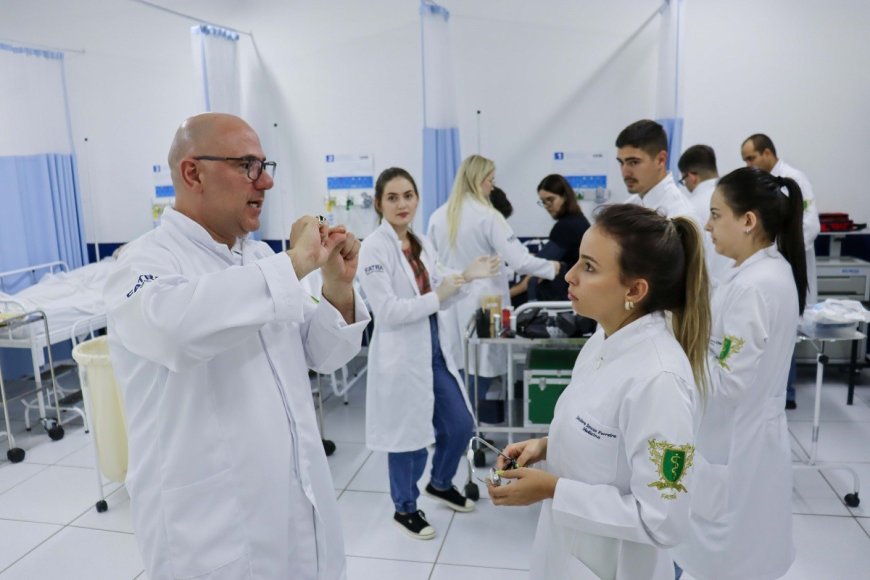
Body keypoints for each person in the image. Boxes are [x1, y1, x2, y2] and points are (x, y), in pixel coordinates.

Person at [104, 113, 370, 580]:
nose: (265, 181)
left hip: (294, 503)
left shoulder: (259, 257)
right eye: (247, 165)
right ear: (193, 173)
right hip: (212, 528)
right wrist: (296, 262)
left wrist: (337, 287)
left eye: (265, 165)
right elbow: (174, 331)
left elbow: (323, 354)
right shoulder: (142, 262)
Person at [489, 204, 710, 579]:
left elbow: (663, 521)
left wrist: (554, 490)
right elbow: (603, 431)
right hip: (566, 548)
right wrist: (545, 446)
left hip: (613, 565)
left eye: (589, 267)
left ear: (635, 290)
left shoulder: (659, 380)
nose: (570, 276)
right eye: (577, 261)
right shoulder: (603, 338)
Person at [672, 167, 807, 580]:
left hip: (736, 438)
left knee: (725, 550)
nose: (708, 226)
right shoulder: (763, 271)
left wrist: (681, 353)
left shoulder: (755, 286)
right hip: (746, 435)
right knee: (740, 547)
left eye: (716, 215)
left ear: (748, 221)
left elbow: (729, 381)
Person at [358, 167, 499, 539]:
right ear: (379, 203)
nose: (402, 204)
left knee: (459, 424)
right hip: (401, 354)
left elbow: (440, 282)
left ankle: (439, 482)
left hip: (433, 348)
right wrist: (438, 296)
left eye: (408, 195)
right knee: (409, 437)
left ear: (417, 198)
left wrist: (465, 277)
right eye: (393, 197)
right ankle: (404, 508)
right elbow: (386, 311)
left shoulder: (419, 241)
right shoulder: (374, 247)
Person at [427, 154, 559, 422]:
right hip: (483, 305)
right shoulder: (488, 216)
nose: (492, 188)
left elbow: (432, 264)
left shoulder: (438, 216)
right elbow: (520, 260)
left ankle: (452, 425)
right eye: (491, 181)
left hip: (449, 304)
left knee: (458, 367)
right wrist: (552, 268)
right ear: (480, 181)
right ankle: (468, 426)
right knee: (480, 369)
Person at [741, 133, 819, 409]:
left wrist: (777, 251)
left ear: (768, 153)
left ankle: (787, 394)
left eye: (751, 158)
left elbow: (811, 225)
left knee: (785, 331)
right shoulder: (761, 187)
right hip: (769, 263)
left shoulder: (794, 180)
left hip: (786, 264)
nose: (749, 164)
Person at [510, 174, 591, 304]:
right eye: (543, 201)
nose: (547, 205)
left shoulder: (565, 226)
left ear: (564, 197)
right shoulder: (579, 220)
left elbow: (538, 270)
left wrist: (508, 295)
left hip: (564, 295)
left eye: (550, 199)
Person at [616, 119, 696, 222]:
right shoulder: (628, 208)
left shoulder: (681, 215)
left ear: (660, 160)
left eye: (634, 162)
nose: (625, 172)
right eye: (621, 163)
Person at [678, 144, 733, 285]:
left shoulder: (689, 206)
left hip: (705, 288)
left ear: (691, 176)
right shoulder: (733, 197)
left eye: (683, 181)